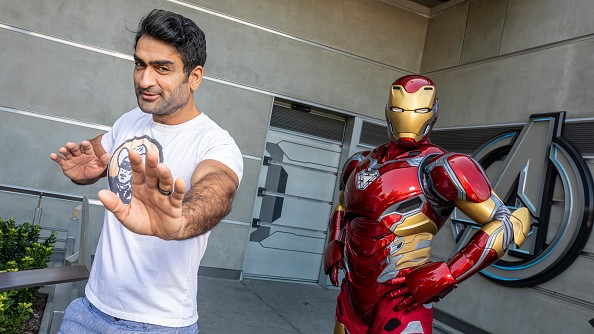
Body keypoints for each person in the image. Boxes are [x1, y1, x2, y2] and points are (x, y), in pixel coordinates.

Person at [50, 9, 243, 333]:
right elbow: (100, 151)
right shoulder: (130, 121)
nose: (145, 79)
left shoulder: (214, 142)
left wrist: (180, 220)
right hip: (89, 310)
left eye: (162, 68)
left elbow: (217, 189)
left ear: (194, 77)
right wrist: (87, 168)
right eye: (140, 64)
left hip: (158, 324)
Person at [323, 75, 530, 334]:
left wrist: (446, 275)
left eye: (418, 110)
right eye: (399, 109)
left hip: (402, 299)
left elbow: (507, 222)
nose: (407, 117)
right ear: (388, 110)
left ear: (432, 112)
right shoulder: (359, 163)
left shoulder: (442, 167)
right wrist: (335, 243)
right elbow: (343, 205)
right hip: (352, 294)